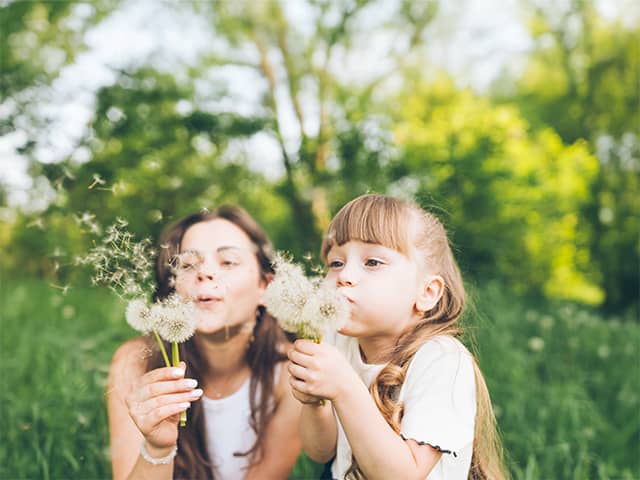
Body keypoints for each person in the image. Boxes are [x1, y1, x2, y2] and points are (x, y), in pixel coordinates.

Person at [288, 194, 507, 480]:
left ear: (426, 293)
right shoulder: (336, 343)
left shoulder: (442, 360)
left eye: (373, 262)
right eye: (336, 263)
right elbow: (321, 453)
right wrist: (313, 403)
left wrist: (344, 387)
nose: (345, 276)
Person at [107, 206, 302, 479]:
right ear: (173, 288)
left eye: (228, 262)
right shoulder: (135, 362)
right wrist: (157, 449)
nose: (205, 273)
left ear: (264, 287)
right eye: (188, 264)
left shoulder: (293, 371)